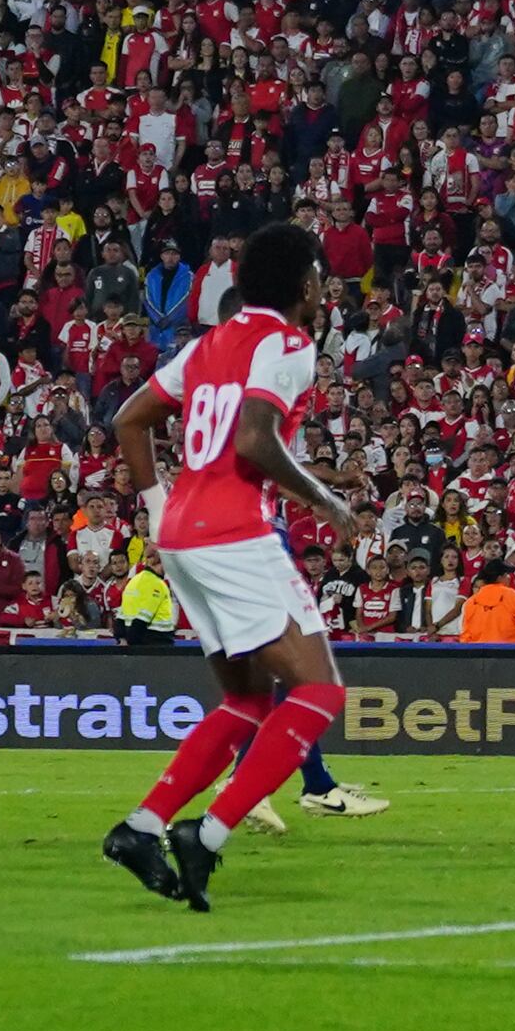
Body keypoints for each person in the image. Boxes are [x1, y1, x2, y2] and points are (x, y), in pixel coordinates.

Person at [96, 220, 365, 913]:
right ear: (305, 284)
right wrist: (325, 497)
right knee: (319, 690)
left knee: (247, 700)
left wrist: (156, 504)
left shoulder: (207, 343)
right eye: (320, 277)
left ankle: (142, 826)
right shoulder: (289, 343)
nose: (324, 289)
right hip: (235, 530)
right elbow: (253, 438)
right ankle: (208, 833)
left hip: (182, 531)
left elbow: (129, 419)